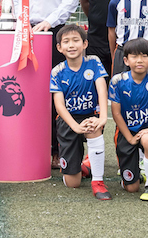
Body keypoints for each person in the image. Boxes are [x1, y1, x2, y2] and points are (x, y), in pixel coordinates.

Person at [10, 0, 78, 168]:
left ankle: (58, 149)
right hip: (24, 33)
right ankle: (29, 145)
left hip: (54, 31)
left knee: (55, 92)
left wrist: (49, 21)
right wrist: (21, 21)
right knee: (27, 91)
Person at [49, 25, 111, 200]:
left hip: (90, 115)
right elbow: (59, 105)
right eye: (66, 42)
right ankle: (84, 166)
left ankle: (98, 182)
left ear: (84, 44)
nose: (71, 45)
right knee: (72, 183)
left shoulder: (93, 62)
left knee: (93, 128)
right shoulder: (57, 71)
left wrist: (103, 118)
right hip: (68, 121)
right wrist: (75, 127)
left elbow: (101, 90)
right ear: (59, 48)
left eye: (76, 40)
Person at [108, 38, 148, 201]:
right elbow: (117, 114)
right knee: (131, 188)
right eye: (134, 56)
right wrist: (129, 138)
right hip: (126, 132)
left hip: (147, 129)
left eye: (144, 56)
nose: (139, 60)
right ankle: (135, 174)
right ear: (126, 60)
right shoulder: (117, 81)